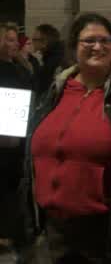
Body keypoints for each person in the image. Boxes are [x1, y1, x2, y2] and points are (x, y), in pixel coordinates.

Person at [21, 13, 111, 264]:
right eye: (89, 41)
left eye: (106, 41)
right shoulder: (56, 91)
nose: (98, 46)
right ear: (74, 47)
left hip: (101, 236)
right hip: (50, 232)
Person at [0, 22, 33, 260]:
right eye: (9, 39)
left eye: (15, 39)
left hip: (18, 136)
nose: (14, 44)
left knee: (13, 184)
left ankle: (10, 231)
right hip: (2, 136)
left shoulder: (22, 66)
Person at [31, 24, 64, 98]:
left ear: (44, 42)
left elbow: (41, 88)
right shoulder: (57, 54)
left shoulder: (52, 62)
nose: (32, 42)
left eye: (34, 40)